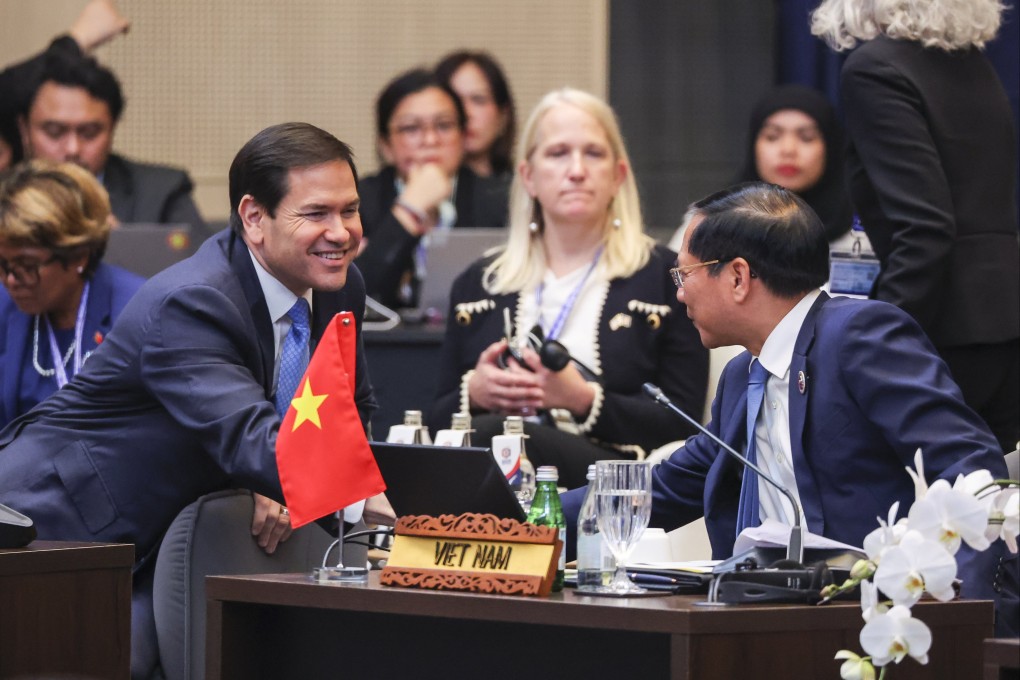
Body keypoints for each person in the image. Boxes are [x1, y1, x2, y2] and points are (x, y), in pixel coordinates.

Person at [0, 122, 394, 677]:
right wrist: (363, 504)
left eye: (349, 210)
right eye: (317, 214)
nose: (341, 232)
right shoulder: (193, 301)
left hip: (156, 539)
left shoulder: (337, 284)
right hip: (48, 532)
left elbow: (349, 410)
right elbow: (249, 438)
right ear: (254, 218)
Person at [566, 182, 1015, 634]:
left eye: (684, 276)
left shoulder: (860, 335)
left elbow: (970, 469)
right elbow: (667, 486)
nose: (679, 294)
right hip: (758, 619)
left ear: (738, 277)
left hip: (858, 620)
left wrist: (970, 623)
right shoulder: (743, 376)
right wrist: (525, 521)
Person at [429, 88, 708, 489]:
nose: (576, 170)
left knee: (500, 438)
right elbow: (436, 419)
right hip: (496, 472)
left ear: (618, 175)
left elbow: (684, 422)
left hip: (615, 478)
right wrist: (474, 392)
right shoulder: (480, 281)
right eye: (558, 153)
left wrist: (580, 399)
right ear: (529, 176)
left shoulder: (667, 276)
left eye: (593, 154)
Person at [812, 0, 1020, 452]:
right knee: (988, 509)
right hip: (1004, 321)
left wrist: (876, 337)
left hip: (943, 325)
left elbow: (924, 229)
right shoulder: (974, 65)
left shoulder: (874, 67)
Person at [0, 160, 144, 427]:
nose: (11, 279)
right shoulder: (3, 306)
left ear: (78, 254)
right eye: (3, 264)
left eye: (27, 266)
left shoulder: (138, 314)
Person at [356, 68, 508, 310]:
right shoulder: (357, 202)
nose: (430, 140)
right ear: (385, 145)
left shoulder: (499, 199)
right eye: (411, 128)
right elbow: (356, 300)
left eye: (444, 126)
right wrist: (408, 210)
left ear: (462, 136)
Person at [0, 0, 131, 172]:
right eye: (54, 132)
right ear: (24, 132)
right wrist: (72, 43)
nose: (72, 149)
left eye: (89, 133)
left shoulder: (162, 191)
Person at [435, 50, 516, 182]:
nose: (466, 113)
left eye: (478, 100)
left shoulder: (523, 192)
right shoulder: (409, 191)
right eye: (455, 100)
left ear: (503, 117)